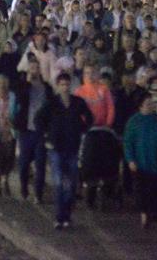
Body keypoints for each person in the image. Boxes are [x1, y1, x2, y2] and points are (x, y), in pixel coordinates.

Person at [35, 72, 93, 229]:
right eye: (62, 85)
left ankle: (67, 214)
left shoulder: (78, 102)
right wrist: (46, 137)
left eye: (67, 84)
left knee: (72, 184)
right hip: (56, 148)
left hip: (72, 148)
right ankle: (60, 216)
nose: (65, 88)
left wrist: (81, 129)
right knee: (59, 183)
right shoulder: (52, 103)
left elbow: (89, 117)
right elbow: (39, 119)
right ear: (57, 86)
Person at [123, 94, 157, 228]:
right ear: (141, 106)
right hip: (141, 159)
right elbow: (128, 141)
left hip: (156, 159)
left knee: (155, 188)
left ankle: (155, 211)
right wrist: (130, 159)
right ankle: (144, 214)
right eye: (148, 103)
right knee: (142, 189)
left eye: (152, 103)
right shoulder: (134, 121)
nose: (151, 106)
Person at [14, 57, 52, 203]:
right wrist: (27, 83)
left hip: (40, 132)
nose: (34, 70)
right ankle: (24, 186)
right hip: (26, 131)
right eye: (31, 68)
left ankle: (38, 193)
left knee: (40, 164)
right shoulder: (23, 85)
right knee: (23, 164)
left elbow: (51, 108)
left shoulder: (46, 88)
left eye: (36, 68)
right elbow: (19, 98)